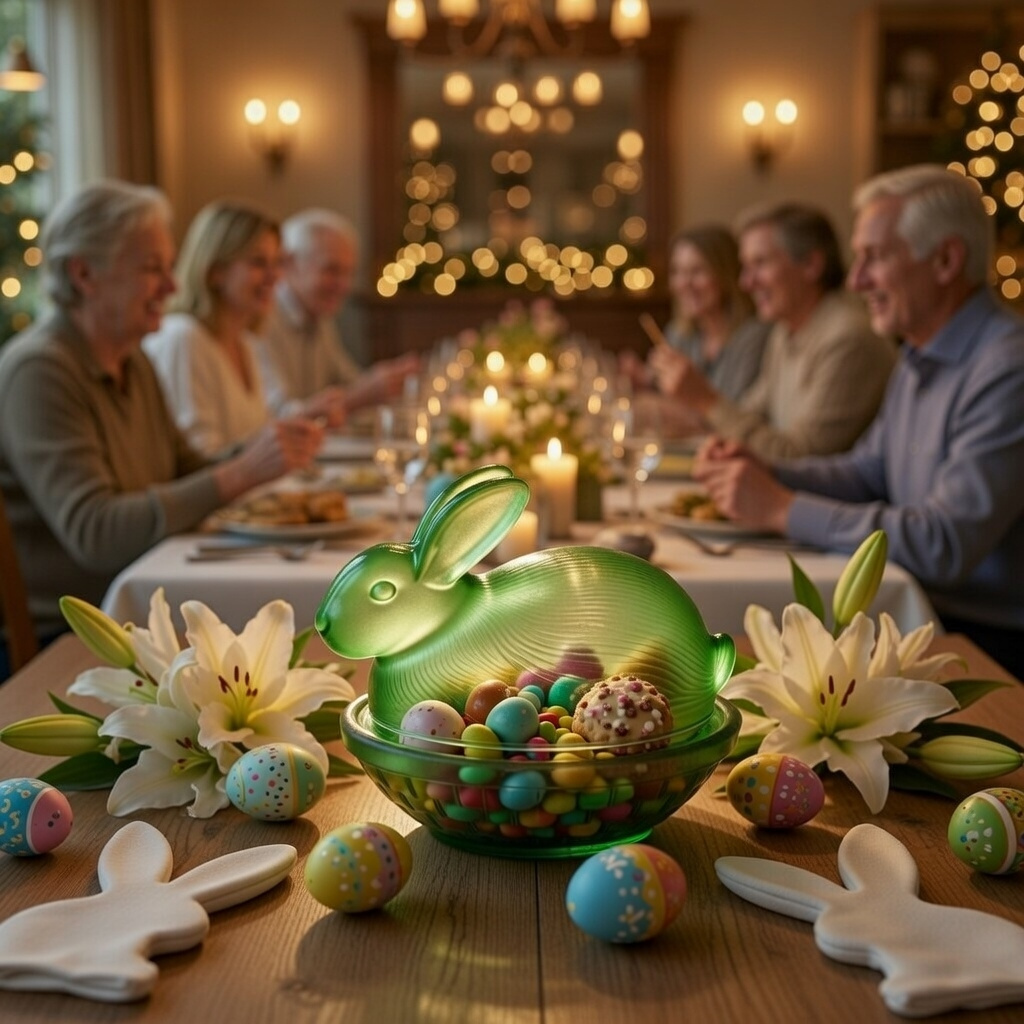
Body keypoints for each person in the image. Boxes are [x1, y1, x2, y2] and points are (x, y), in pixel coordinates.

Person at [693, 165, 1024, 677]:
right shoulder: (917, 356)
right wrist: (766, 469)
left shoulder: (1007, 367)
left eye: (873, 257)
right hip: (917, 619)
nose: (854, 280)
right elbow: (866, 472)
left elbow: (946, 543)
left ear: (945, 260)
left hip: (981, 646)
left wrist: (782, 508)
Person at [0, 180, 323, 646]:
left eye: (170, 269)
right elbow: (95, 532)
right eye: (153, 269)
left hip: (147, 608)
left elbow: (184, 469)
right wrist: (240, 472)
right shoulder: (40, 371)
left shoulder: (133, 359)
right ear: (84, 275)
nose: (172, 287)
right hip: (77, 633)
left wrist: (262, 454)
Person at [650, 203, 897, 459]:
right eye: (745, 267)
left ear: (811, 265)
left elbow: (800, 459)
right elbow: (748, 416)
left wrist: (706, 400)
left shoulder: (847, 339)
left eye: (760, 263)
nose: (746, 282)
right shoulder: (784, 332)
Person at [144, 200, 300, 458]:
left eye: (277, 263)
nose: (275, 276)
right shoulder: (184, 338)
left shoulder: (245, 343)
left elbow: (259, 439)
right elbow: (198, 458)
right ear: (216, 271)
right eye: (259, 263)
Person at [253, 208, 418, 424]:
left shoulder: (319, 315)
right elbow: (275, 415)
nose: (343, 286)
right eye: (331, 270)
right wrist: (362, 395)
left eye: (348, 273)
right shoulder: (259, 317)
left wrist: (388, 381)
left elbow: (349, 381)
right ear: (290, 264)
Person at [622, 224, 770, 435]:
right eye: (677, 272)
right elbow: (670, 401)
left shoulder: (754, 337)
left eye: (697, 271)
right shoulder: (680, 333)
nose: (684, 283)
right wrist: (644, 381)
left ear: (725, 275)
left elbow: (729, 419)